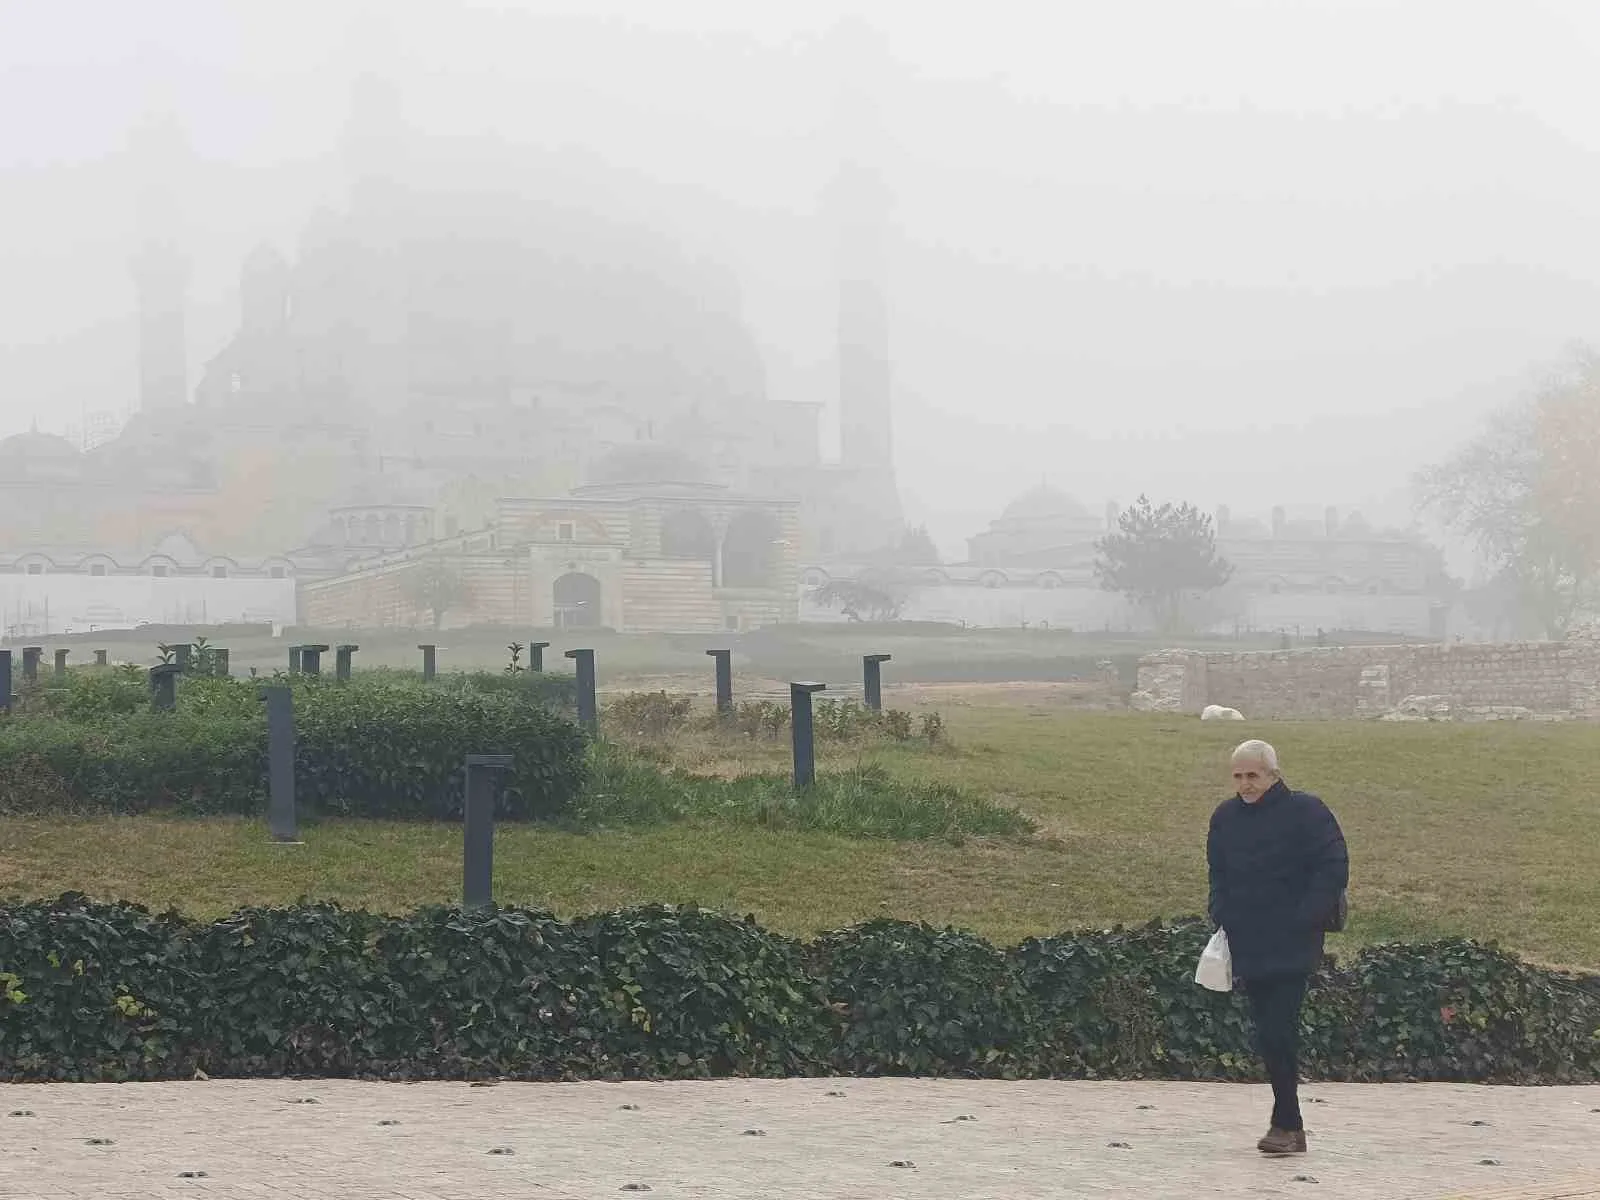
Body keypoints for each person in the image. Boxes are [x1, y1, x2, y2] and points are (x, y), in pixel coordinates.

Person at [1206, 739, 1348, 1157]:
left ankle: (1287, 1123)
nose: (1246, 784)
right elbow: (1218, 871)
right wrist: (1221, 913)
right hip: (1248, 942)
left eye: (1253, 775)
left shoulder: (1307, 811)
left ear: (1273, 774)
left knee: (1277, 1029)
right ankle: (1288, 1122)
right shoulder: (1225, 817)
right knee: (1268, 1034)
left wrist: (1304, 918)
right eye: (1238, 776)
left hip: (1293, 943)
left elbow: (1333, 866)